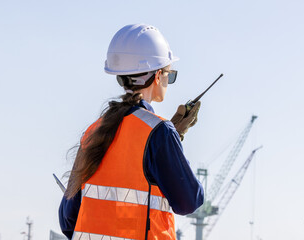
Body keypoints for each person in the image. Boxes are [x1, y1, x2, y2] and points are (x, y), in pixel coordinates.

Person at [59, 23, 204, 240]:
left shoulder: (93, 132)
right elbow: (189, 201)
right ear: (157, 76)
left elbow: (68, 221)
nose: (168, 80)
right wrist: (173, 142)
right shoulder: (159, 132)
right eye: (169, 74)